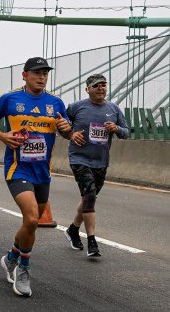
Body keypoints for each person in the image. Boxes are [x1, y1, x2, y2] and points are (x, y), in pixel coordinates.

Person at [0, 57, 72, 297]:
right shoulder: (10, 99)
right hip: (17, 170)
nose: (42, 77)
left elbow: (68, 132)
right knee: (32, 219)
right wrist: (3, 136)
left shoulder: (55, 103)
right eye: (36, 73)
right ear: (25, 75)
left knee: (30, 222)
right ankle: (23, 268)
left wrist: (67, 130)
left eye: (45, 73)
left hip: (43, 172)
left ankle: (11, 256)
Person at [64, 74, 129, 258]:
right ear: (87, 89)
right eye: (96, 86)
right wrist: (71, 133)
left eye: (103, 85)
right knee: (90, 195)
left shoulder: (114, 109)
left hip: (101, 161)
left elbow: (126, 132)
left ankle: (73, 230)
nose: (100, 88)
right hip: (79, 158)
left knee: (88, 198)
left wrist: (116, 129)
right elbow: (61, 124)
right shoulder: (77, 107)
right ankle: (92, 241)